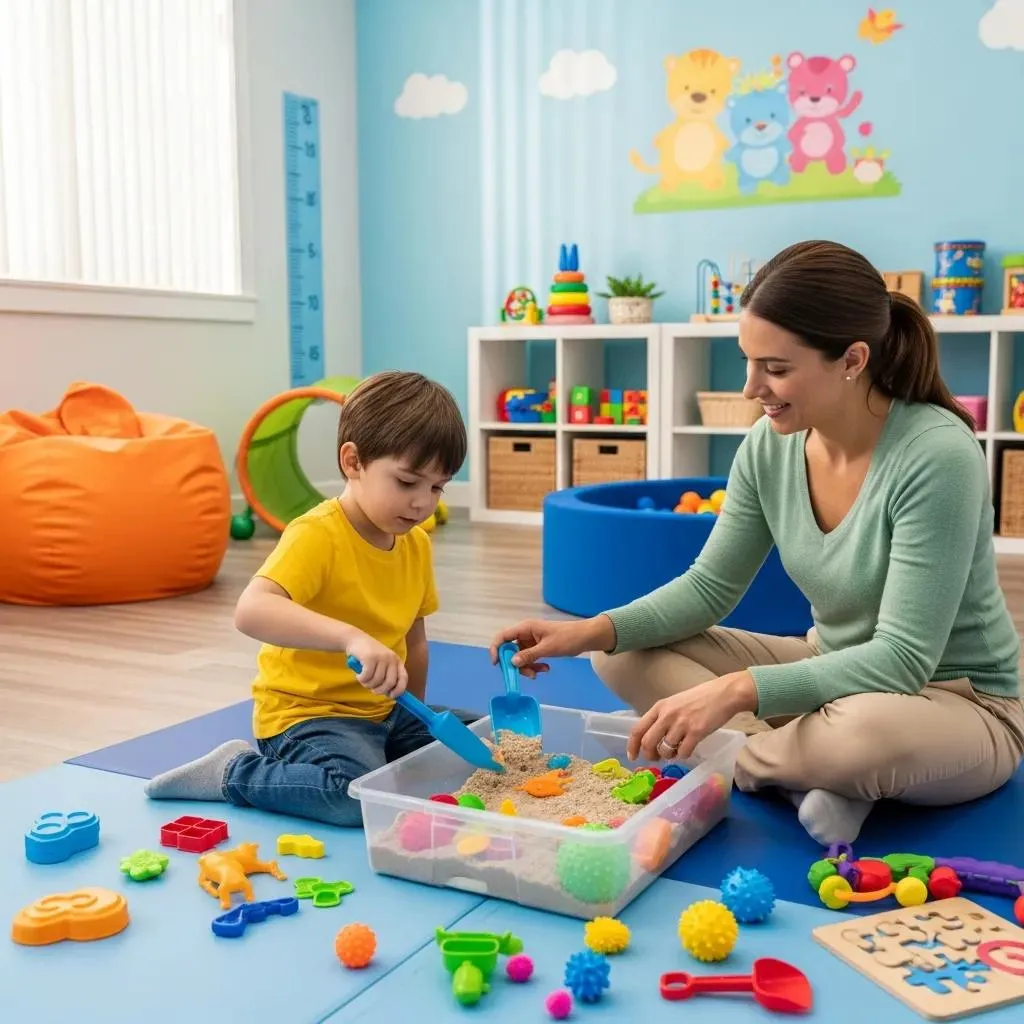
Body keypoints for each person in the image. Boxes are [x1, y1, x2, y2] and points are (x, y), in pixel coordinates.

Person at [491, 240, 1024, 846]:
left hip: (951, 702)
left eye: (776, 368)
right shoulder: (769, 446)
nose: (751, 388)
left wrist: (735, 691)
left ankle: (733, 753)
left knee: (861, 735)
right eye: (748, 361)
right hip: (828, 674)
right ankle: (799, 773)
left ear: (852, 359)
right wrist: (585, 631)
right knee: (620, 651)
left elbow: (902, 660)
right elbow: (708, 588)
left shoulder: (937, 454)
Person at [145, 370, 474, 827]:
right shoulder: (317, 534)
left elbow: (414, 641)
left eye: (437, 487)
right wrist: (350, 637)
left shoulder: (415, 543)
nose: (422, 503)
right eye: (406, 482)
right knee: (351, 798)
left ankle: (389, 754)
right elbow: (251, 610)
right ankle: (233, 772)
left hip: (384, 712)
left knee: (482, 742)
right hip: (308, 716)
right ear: (353, 461)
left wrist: (414, 719)